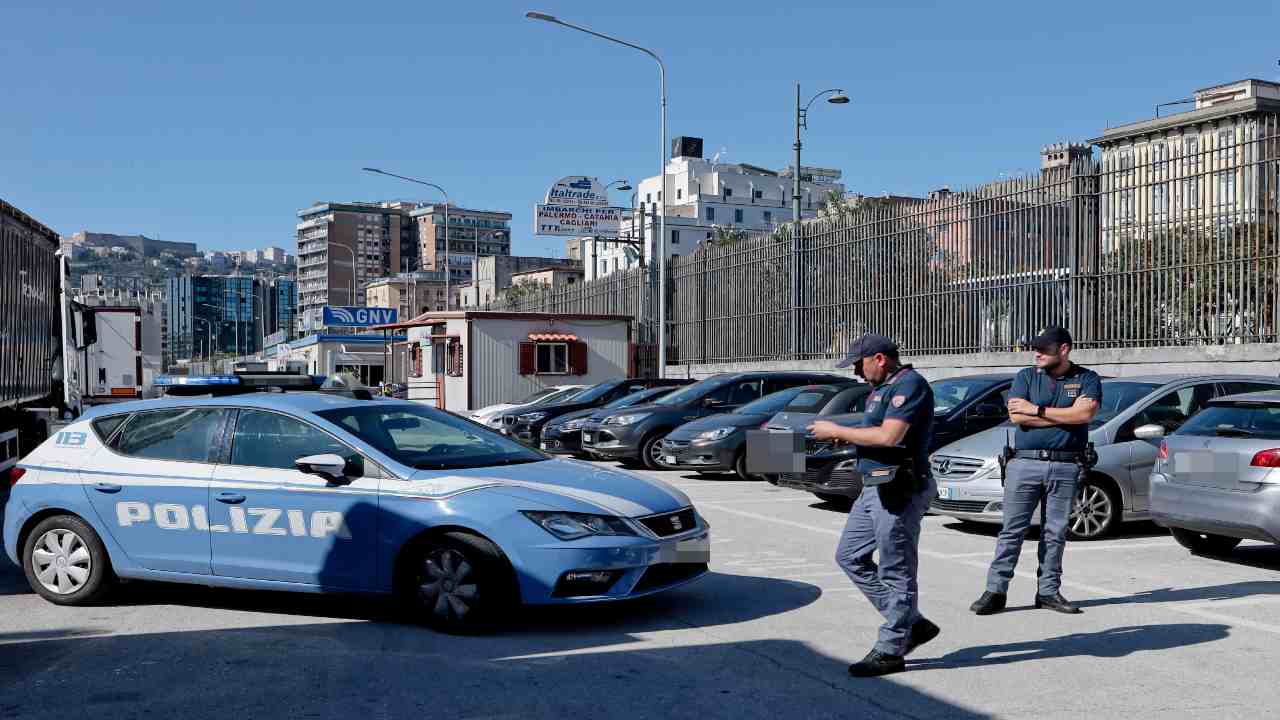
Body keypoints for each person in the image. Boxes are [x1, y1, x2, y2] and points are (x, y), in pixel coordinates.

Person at [809, 333, 938, 678]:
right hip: (874, 486)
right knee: (849, 556)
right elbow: (876, 434)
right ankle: (911, 622)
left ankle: (892, 647)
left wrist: (837, 428)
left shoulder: (909, 385)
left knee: (896, 570)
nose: (856, 372)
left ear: (879, 359)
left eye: (858, 364)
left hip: (899, 488)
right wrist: (845, 435)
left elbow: (889, 437)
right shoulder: (880, 389)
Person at [970, 326, 1102, 616]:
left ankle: (1048, 591)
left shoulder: (1086, 378)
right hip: (1025, 463)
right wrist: (1063, 417)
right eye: (1035, 348)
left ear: (1064, 349)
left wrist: (1038, 411)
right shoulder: (1026, 376)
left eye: (1044, 348)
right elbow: (1017, 416)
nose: (1037, 353)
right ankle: (995, 590)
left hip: (1067, 464)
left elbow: (1085, 414)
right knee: (1012, 530)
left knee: (1055, 532)